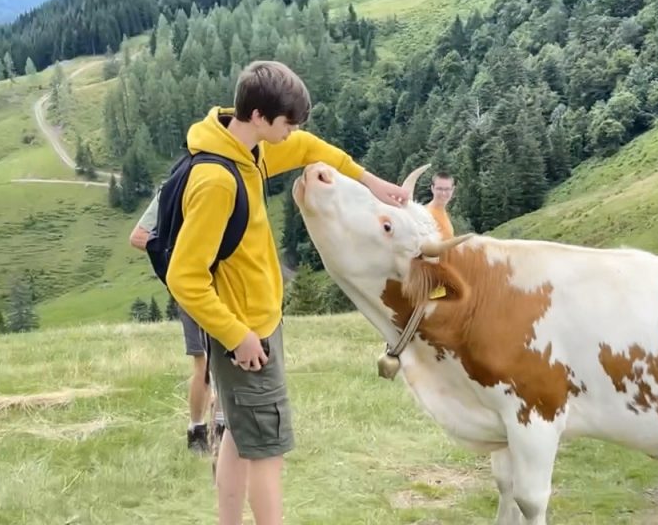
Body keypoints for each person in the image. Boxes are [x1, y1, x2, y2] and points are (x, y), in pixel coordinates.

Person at [165, 60, 409, 525]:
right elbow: (185, 277)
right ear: (259, 116)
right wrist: (237, 335)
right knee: (268, 453)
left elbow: (307, 147)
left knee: (241, 437)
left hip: (254, 326)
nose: (291, 132)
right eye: (285, 122)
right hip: (247, 338)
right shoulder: (217, 179)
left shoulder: (249, 149)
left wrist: (370, 182)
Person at [129, 193, 219, 455]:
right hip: (194, 287)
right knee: (204, 361)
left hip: (223, 283)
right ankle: (198, 430)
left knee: (222, 358)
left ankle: (219, 428)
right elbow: (138, 237)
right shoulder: (173, 189)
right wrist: (183, 255)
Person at [425, 171, 455, 239]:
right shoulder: (427, 215)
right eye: (439, 189)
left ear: (452, 190)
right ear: (432, 188)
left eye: (447, 189)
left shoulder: (442, 212)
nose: (443, 193)